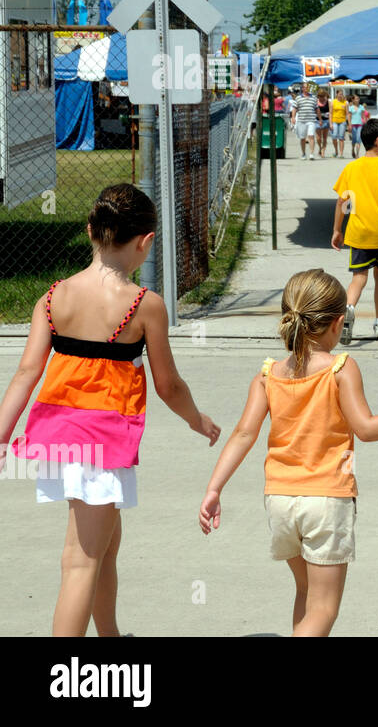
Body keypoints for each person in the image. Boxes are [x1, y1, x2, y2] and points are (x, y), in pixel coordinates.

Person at [0, 184, 221, 636]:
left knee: (105, 547)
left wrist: (2, 436)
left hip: (61, 438)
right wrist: (197, 420)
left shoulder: (54, 296)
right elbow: (169, 385)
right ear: (147, 241)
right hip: (101, 446)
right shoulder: (145, 306)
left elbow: (26, 373)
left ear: (90, 231)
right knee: (80, 561)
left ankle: (110, 637)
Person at [198, 269, 378, 637]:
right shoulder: (341, 369)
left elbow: (242, 434)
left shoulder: (267, 375)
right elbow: (365, 427)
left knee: (306, 591)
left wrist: (214, 488)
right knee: (325, 608)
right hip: (326, 501)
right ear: (338, 323)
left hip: (279, 500)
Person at [331, 119, 378, 344]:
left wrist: (337, 230)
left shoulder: (351, 168)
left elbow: (342, 202)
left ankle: (347, 311)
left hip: (358, 232)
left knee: (358, 278)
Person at [289, 84, 319, 160]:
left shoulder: (314, 98)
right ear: (302, 89)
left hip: (311, 120)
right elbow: (294, 108)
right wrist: (293, 117)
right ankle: (303, 153)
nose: (306, 89)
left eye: (308, 87)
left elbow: (317, 109)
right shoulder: (298, 98)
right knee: (302, 138)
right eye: (305, 87)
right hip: (301, 120)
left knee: (311, 136)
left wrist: (320, 119)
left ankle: (312, 153)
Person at [329, 90, 348, 158]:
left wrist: (348, 123)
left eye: (342, 94)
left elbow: (347, 113)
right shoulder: (333, 102)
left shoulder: (345, 103)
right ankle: (336, 150)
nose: (341, 95)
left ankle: (341, 153)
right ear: (336, 94)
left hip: (342, 121)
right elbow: (330, 113)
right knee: (334, 136)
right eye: (340, 94)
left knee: (341, 138)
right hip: (334, 121)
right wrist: (330, 123)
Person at [347, 94, 365, 159]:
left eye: (358, 98)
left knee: (358, 139)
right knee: (354, 140)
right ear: (353, 100)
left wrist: (365, 123)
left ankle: (357, 154)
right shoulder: (350, 107)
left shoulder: (361, 107)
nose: (358, 100)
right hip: (353, 125)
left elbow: (363, 116)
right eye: (356, 99)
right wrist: (349, 124)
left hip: (360, 124)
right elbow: (349, 116)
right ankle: (352, 150)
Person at [315, 88, 331, 157]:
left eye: (323, 96)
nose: (321, 98)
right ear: (318, 96)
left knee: (324, 138)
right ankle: (319, 147)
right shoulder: (316, 102)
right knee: (318, 138)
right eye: (320, 96)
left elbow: (331, 112)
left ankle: (323, 151)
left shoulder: (328, 102)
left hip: (326, 120)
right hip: (317, 120)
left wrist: (331, 122)